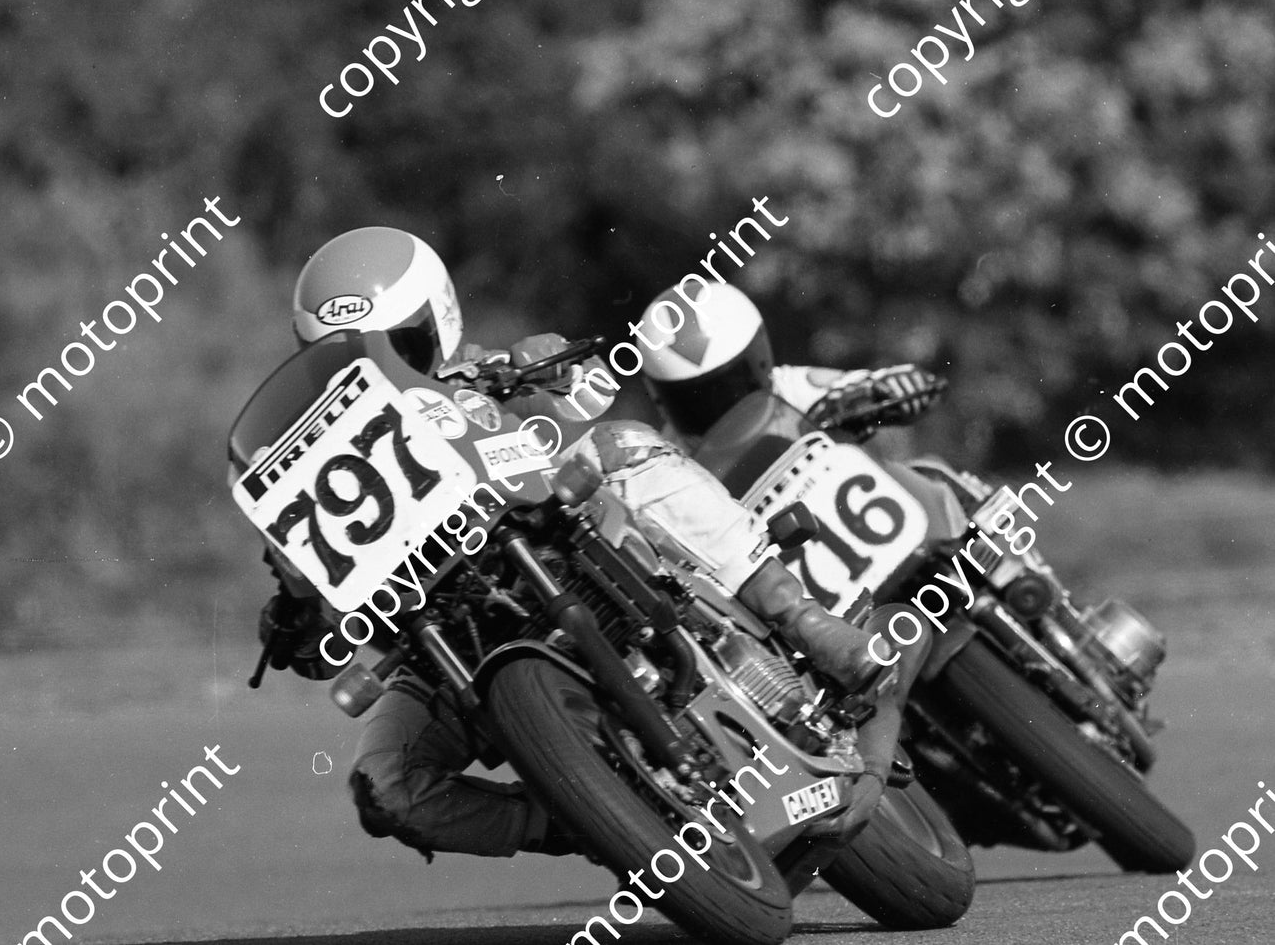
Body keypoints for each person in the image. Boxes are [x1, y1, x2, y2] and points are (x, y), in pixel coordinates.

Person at [249, 226, 887, 863]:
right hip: (443, 643)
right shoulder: (309, 471)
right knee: (382, 787)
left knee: (622, 446)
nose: (372, 360)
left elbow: (588, 394)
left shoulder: (483, 371)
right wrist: (296, 611)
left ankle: (802, 619)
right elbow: (320, 645)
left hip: (551, 536)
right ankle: (585, 822)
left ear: (435, 318)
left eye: (393, 342)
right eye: (343, 351)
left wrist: (548, 373)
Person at [638, 281, 968, 805]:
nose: (717, 404)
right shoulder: (673, 462)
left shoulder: (794, 386)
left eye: (729, 383)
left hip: (887, 530)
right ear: (663, 397)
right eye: (695, 396)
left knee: (938, 474)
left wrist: (892, 388)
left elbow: (864, 383)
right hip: (823, 603)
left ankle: (1029, 582)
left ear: (760, 360)